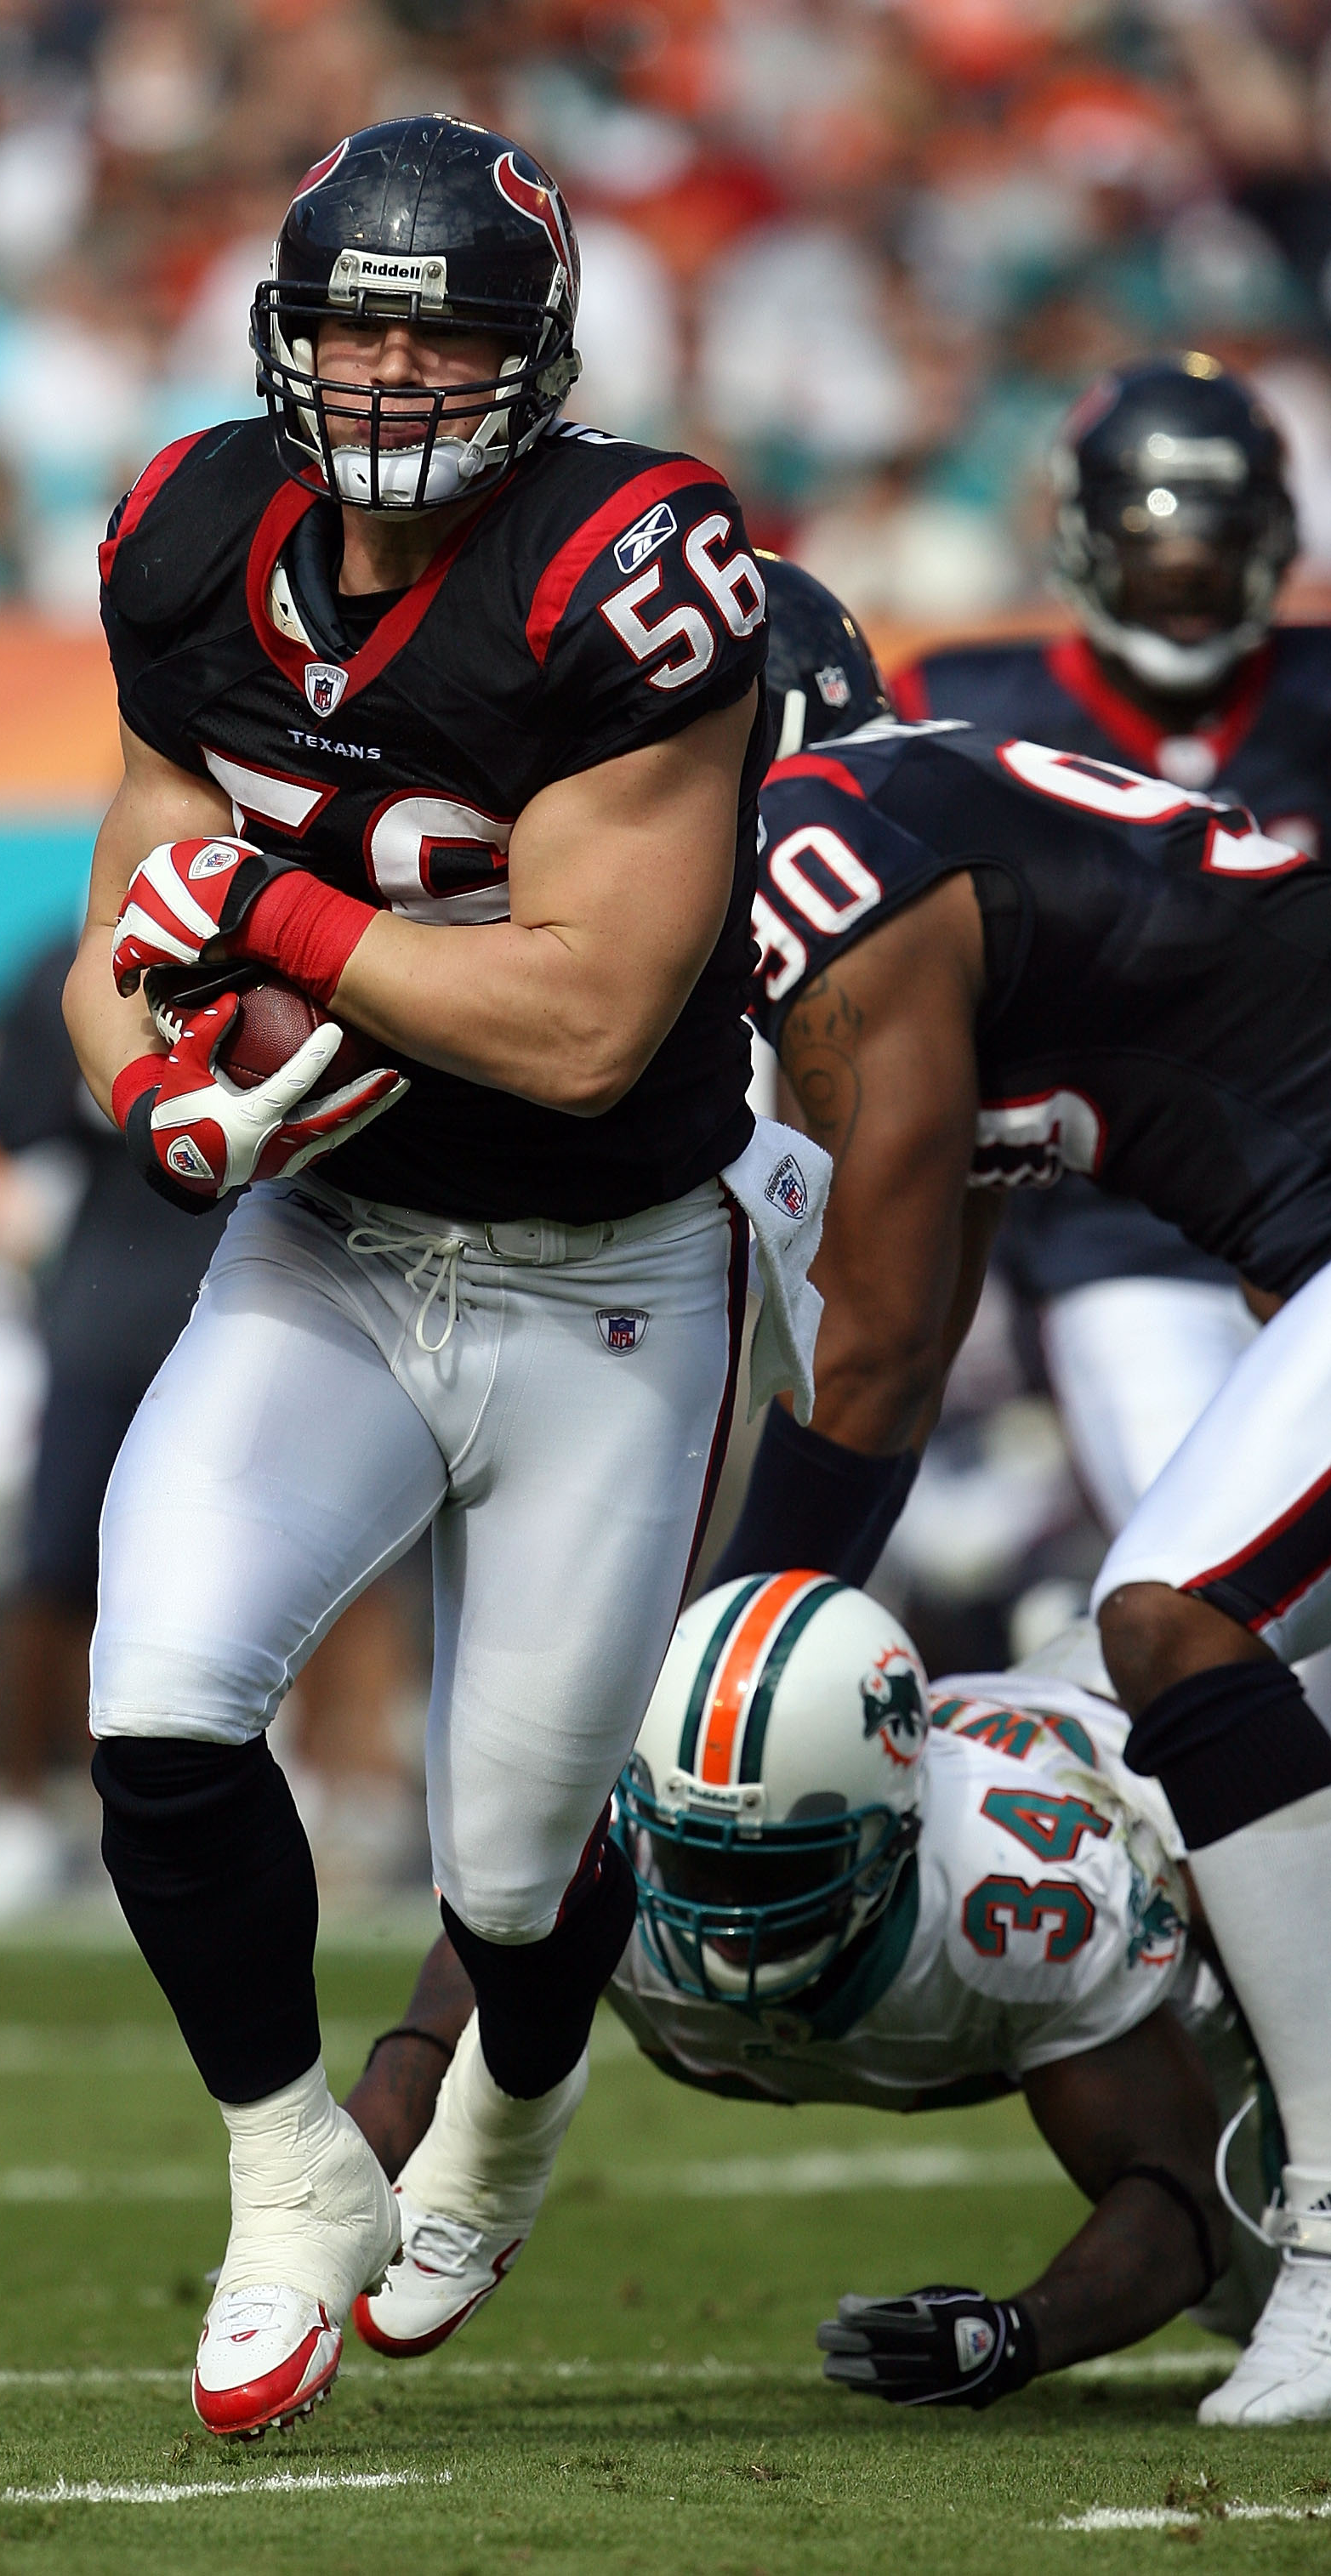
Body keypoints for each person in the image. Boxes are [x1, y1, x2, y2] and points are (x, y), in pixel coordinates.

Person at [62, 114, 781, 2439]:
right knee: (160, 1691)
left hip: (603, 1271)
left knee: (506, 1849)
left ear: (535, 354)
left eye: (441, 327)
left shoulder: (626, 560)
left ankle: (504, 2114)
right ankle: (286, 2164)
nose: (388, 372)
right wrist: (149, 1087)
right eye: (353, 321)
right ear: (282, 335)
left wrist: (271, 930)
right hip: (335, 1235)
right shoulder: (187, 532)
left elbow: (580, 1020)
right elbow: (127, 916)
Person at [717, 562, 1331, 2426]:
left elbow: (887, 1357)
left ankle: (1328, 2231)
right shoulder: (916, 834)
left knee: (1168, 1625)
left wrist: (726, 1647)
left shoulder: (810, 847)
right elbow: (898, 1325)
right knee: (1168, 1667)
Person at [347, 1581, 1262, 2403]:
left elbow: (1177, 2197)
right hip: (988, 1718)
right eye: (698, 1856)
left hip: (1175, 1777)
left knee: (1267, 2290)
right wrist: (316, 2217)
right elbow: (422, 2049)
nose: (731, 1910)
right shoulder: (598, 1843)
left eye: (779, 1868)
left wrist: (1015, 2334)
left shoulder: (1023, 1898)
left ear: (898, 1834)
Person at [890, 355, 1329, 1535]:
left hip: (1316, 1209)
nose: (1184, 584)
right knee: (1209, 1570)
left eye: (1213, 548)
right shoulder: (964, 709)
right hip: (1113, 1231)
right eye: (1152, 545)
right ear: (1086, 542)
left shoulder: (1314, 695)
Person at [0, 939, 233, 1924]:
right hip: (110, 1286)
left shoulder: (290, 931)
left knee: (281, 1562)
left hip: (261, 1281)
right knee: (57, 1558)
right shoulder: (74, 957)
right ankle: (19, 1811)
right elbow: (11, 1120)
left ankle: (314, 1791)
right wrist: (115, 1079)